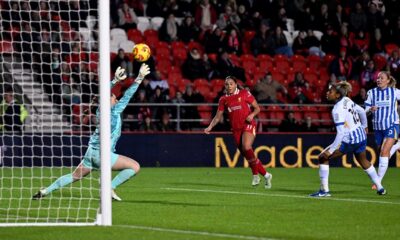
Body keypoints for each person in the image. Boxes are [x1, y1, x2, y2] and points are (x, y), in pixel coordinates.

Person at [32, 65, 151, 201]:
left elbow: (102, 94)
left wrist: (115, 80)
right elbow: (128, 95)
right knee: (135, 166)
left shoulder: (100, 111)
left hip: (91, 153)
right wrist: (139, 78)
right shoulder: (115, 111)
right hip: (103, 154)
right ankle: (109, 187)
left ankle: (46, 190)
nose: (116, 98)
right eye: (113, 97)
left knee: (74, 176)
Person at [310, 81, 386, 197]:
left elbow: (340, 133)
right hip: (360, 136)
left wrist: (331, 150)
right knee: (364, 161)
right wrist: (365, 126)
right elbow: (361, 111)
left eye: (330, 92)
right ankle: (380, 188)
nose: (327, 93)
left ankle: (324, 191)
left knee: (322, 157)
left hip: (349, 139)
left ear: (337, 95)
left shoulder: (337, 109)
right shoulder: (347, 100)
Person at [204, 76, 272, 188]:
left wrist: (251, 115)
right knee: (248, 156)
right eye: (226, 84)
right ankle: (267, 175)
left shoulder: (245, 93)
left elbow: (257, 108)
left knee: (246, 146)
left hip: (248, 124)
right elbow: (217, 116)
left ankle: (255, 175)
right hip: (236, 130)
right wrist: (210, 127)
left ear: (235, 84)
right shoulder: (223, 99)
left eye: (231, 84)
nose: (229, 86)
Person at [365, 71, 400, 187]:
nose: (378, 80)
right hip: (377, 128)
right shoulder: (371, 92)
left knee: (384, 152)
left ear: (388, 80)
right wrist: (370, 109)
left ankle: (378, 182)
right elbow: (364, 111)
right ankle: (396, 146)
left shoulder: (395, 92)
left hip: (392, 124)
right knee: (383, 153)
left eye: (381, 78)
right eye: (378, 78)